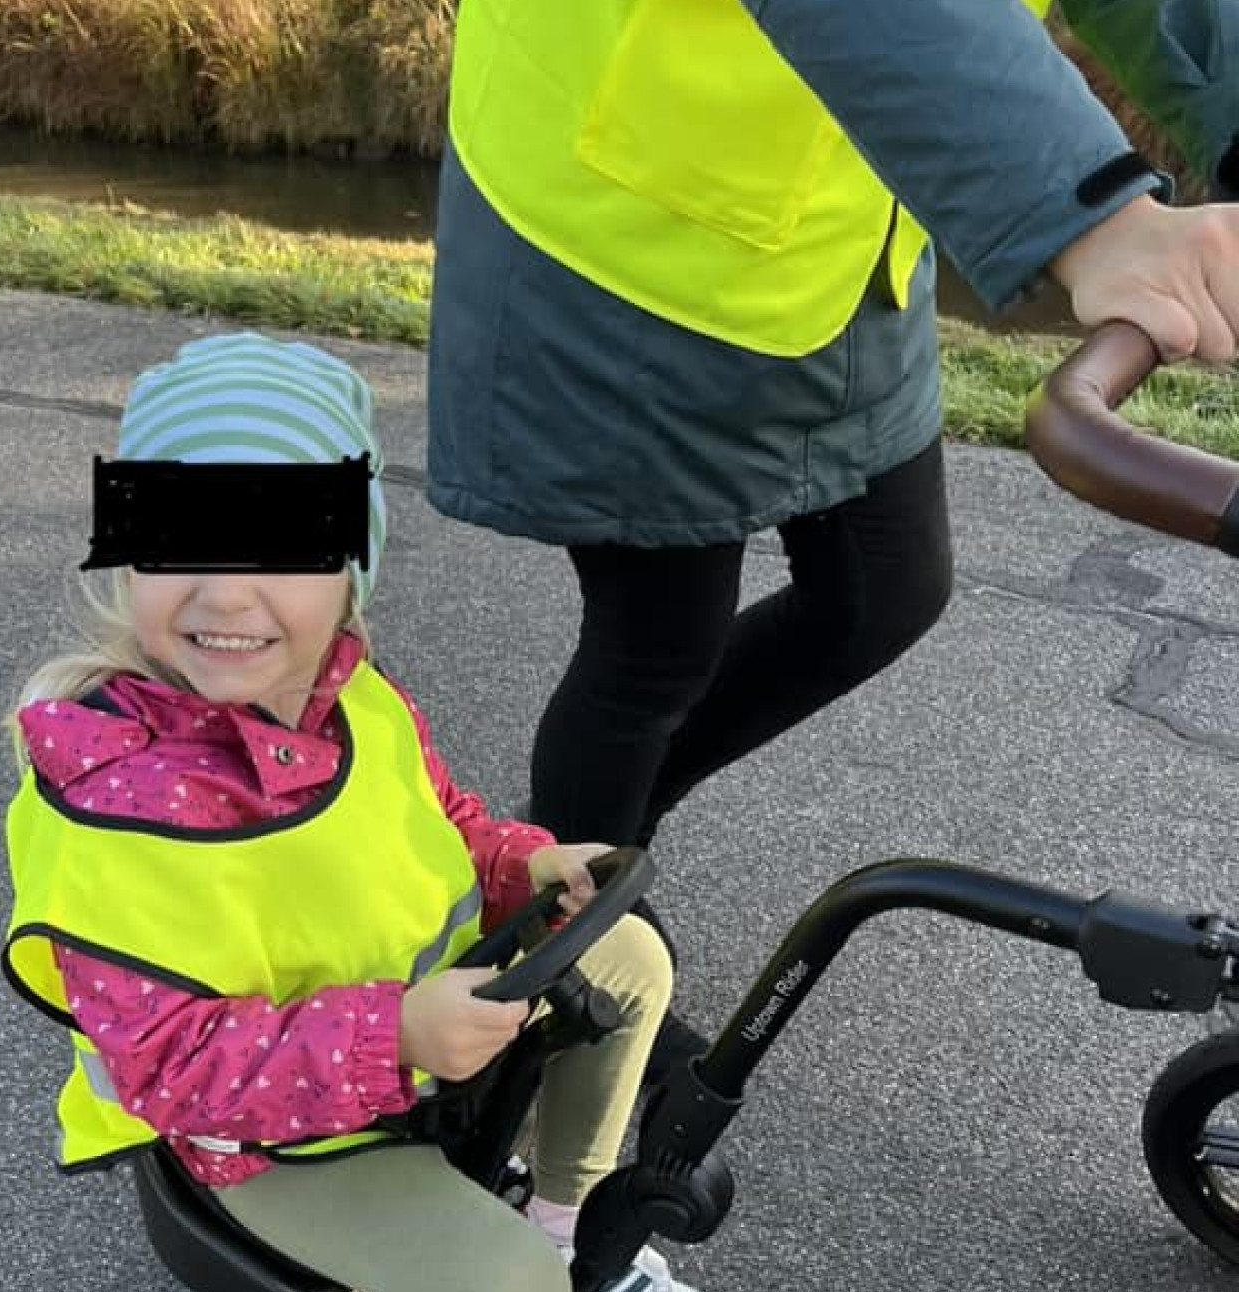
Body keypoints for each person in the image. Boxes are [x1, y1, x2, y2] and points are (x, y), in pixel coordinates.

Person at [426, 0, 1239, 1077]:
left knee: (884, 590)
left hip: (839, 217)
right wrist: (1091, 211)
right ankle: (572, 966)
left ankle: (567, 853)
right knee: (655, 643)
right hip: (625, 214)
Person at [0, 332, 713, 1292]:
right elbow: (173, 1064)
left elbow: (441, 825)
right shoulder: (113, 805)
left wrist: (521, 863)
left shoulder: (353, 696)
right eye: (180, 542)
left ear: (350, 564)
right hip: (265, 1138)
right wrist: (395, 1034)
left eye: (282, 548)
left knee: (628, 961)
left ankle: (563, 1227)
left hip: (408, 1057)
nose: (227, 597)